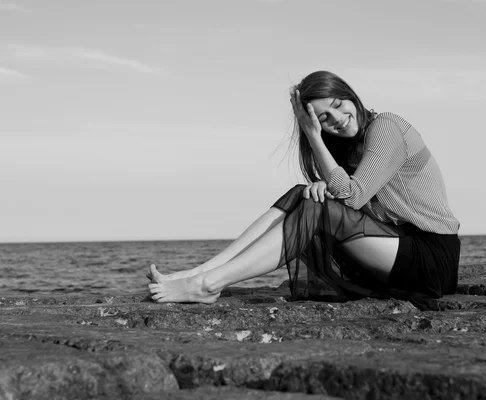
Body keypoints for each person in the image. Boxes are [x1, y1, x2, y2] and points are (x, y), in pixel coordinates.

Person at [147, 70, 460, 310]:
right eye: (324, 118)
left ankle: (209, 284)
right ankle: (201, 272)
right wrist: (326, 181)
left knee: (319, 205)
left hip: (430, 257)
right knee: (303, 193)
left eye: (338, 105)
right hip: (395, 248)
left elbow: (354, 196)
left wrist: (313, 135)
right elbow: (357, 201)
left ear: (351, 95)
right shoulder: (351, 150)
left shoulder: (386, 127)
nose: (337, 119)